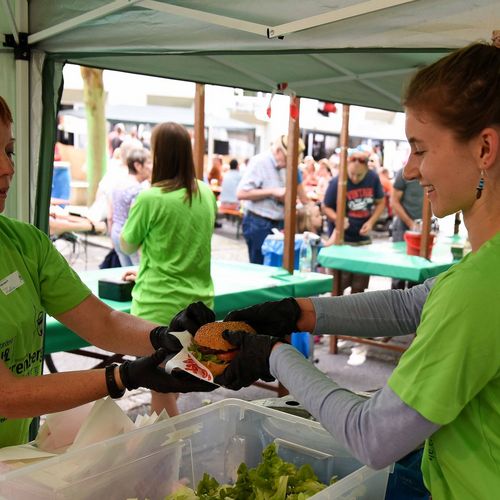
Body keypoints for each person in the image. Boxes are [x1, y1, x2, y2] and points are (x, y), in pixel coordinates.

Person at [203, 40, 500, 499]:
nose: (408, 170)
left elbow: (373, 436)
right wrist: (296, 312)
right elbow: (410, 304)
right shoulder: (483, 271)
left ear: (484, 148)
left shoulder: (480, 288)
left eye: (420, 149)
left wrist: (274, 356)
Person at [0, 96, 214, 448]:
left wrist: (163, 337)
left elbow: (103, 322)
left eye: (9, 151)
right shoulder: (201, 193)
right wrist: (121, 376)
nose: (7, 168)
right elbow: (6, 393)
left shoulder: (25, 244)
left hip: (13, 459)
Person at [120, 122, 217, 417]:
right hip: (199, 306)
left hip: (157, 306)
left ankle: (171, 454)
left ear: (159, 154)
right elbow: (189, 246)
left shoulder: (150, 198)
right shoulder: (205, 192)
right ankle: (171, 449)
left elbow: (126, 244)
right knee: (171, 382)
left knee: (161, 387)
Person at [237, 134, 310, 264]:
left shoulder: (286, 166)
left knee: (275, 269)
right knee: (260, 269)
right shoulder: (260, 162)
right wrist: (272, 192)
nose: (289, 163)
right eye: (288, 158)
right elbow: (241, 193)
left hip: (278, 224)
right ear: (278, 151)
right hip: (258, 222)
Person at [322, 151, 385, 293]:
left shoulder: (373, 178)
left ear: (367, 170)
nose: (355, 179)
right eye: (352, 175)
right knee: (338, 286)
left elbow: (381, 202)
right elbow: (325, 206)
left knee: (359, 287)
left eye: (359, 175)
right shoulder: (337, 181)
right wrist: (338, 219)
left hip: (363, 242)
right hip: (341, 242)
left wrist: (371, 222)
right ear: (347, 167)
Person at [109, 147, 152, 266]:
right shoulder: (137, 190)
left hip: (116, 232)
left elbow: (110, 214)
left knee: (125, 271)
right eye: (148, 162)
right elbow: (136, 217)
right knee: (137, 272)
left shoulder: (118, 184)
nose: (151, 167)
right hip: (130, 236)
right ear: (138, 165)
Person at [390, 166, 424, 288]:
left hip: (422, 228)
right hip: (403, 227)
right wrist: (410, 223)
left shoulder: (432, 173)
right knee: (399, 271)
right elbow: (394, 201)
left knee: (418, 272)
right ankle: (395, 306)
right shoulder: (404, 173)